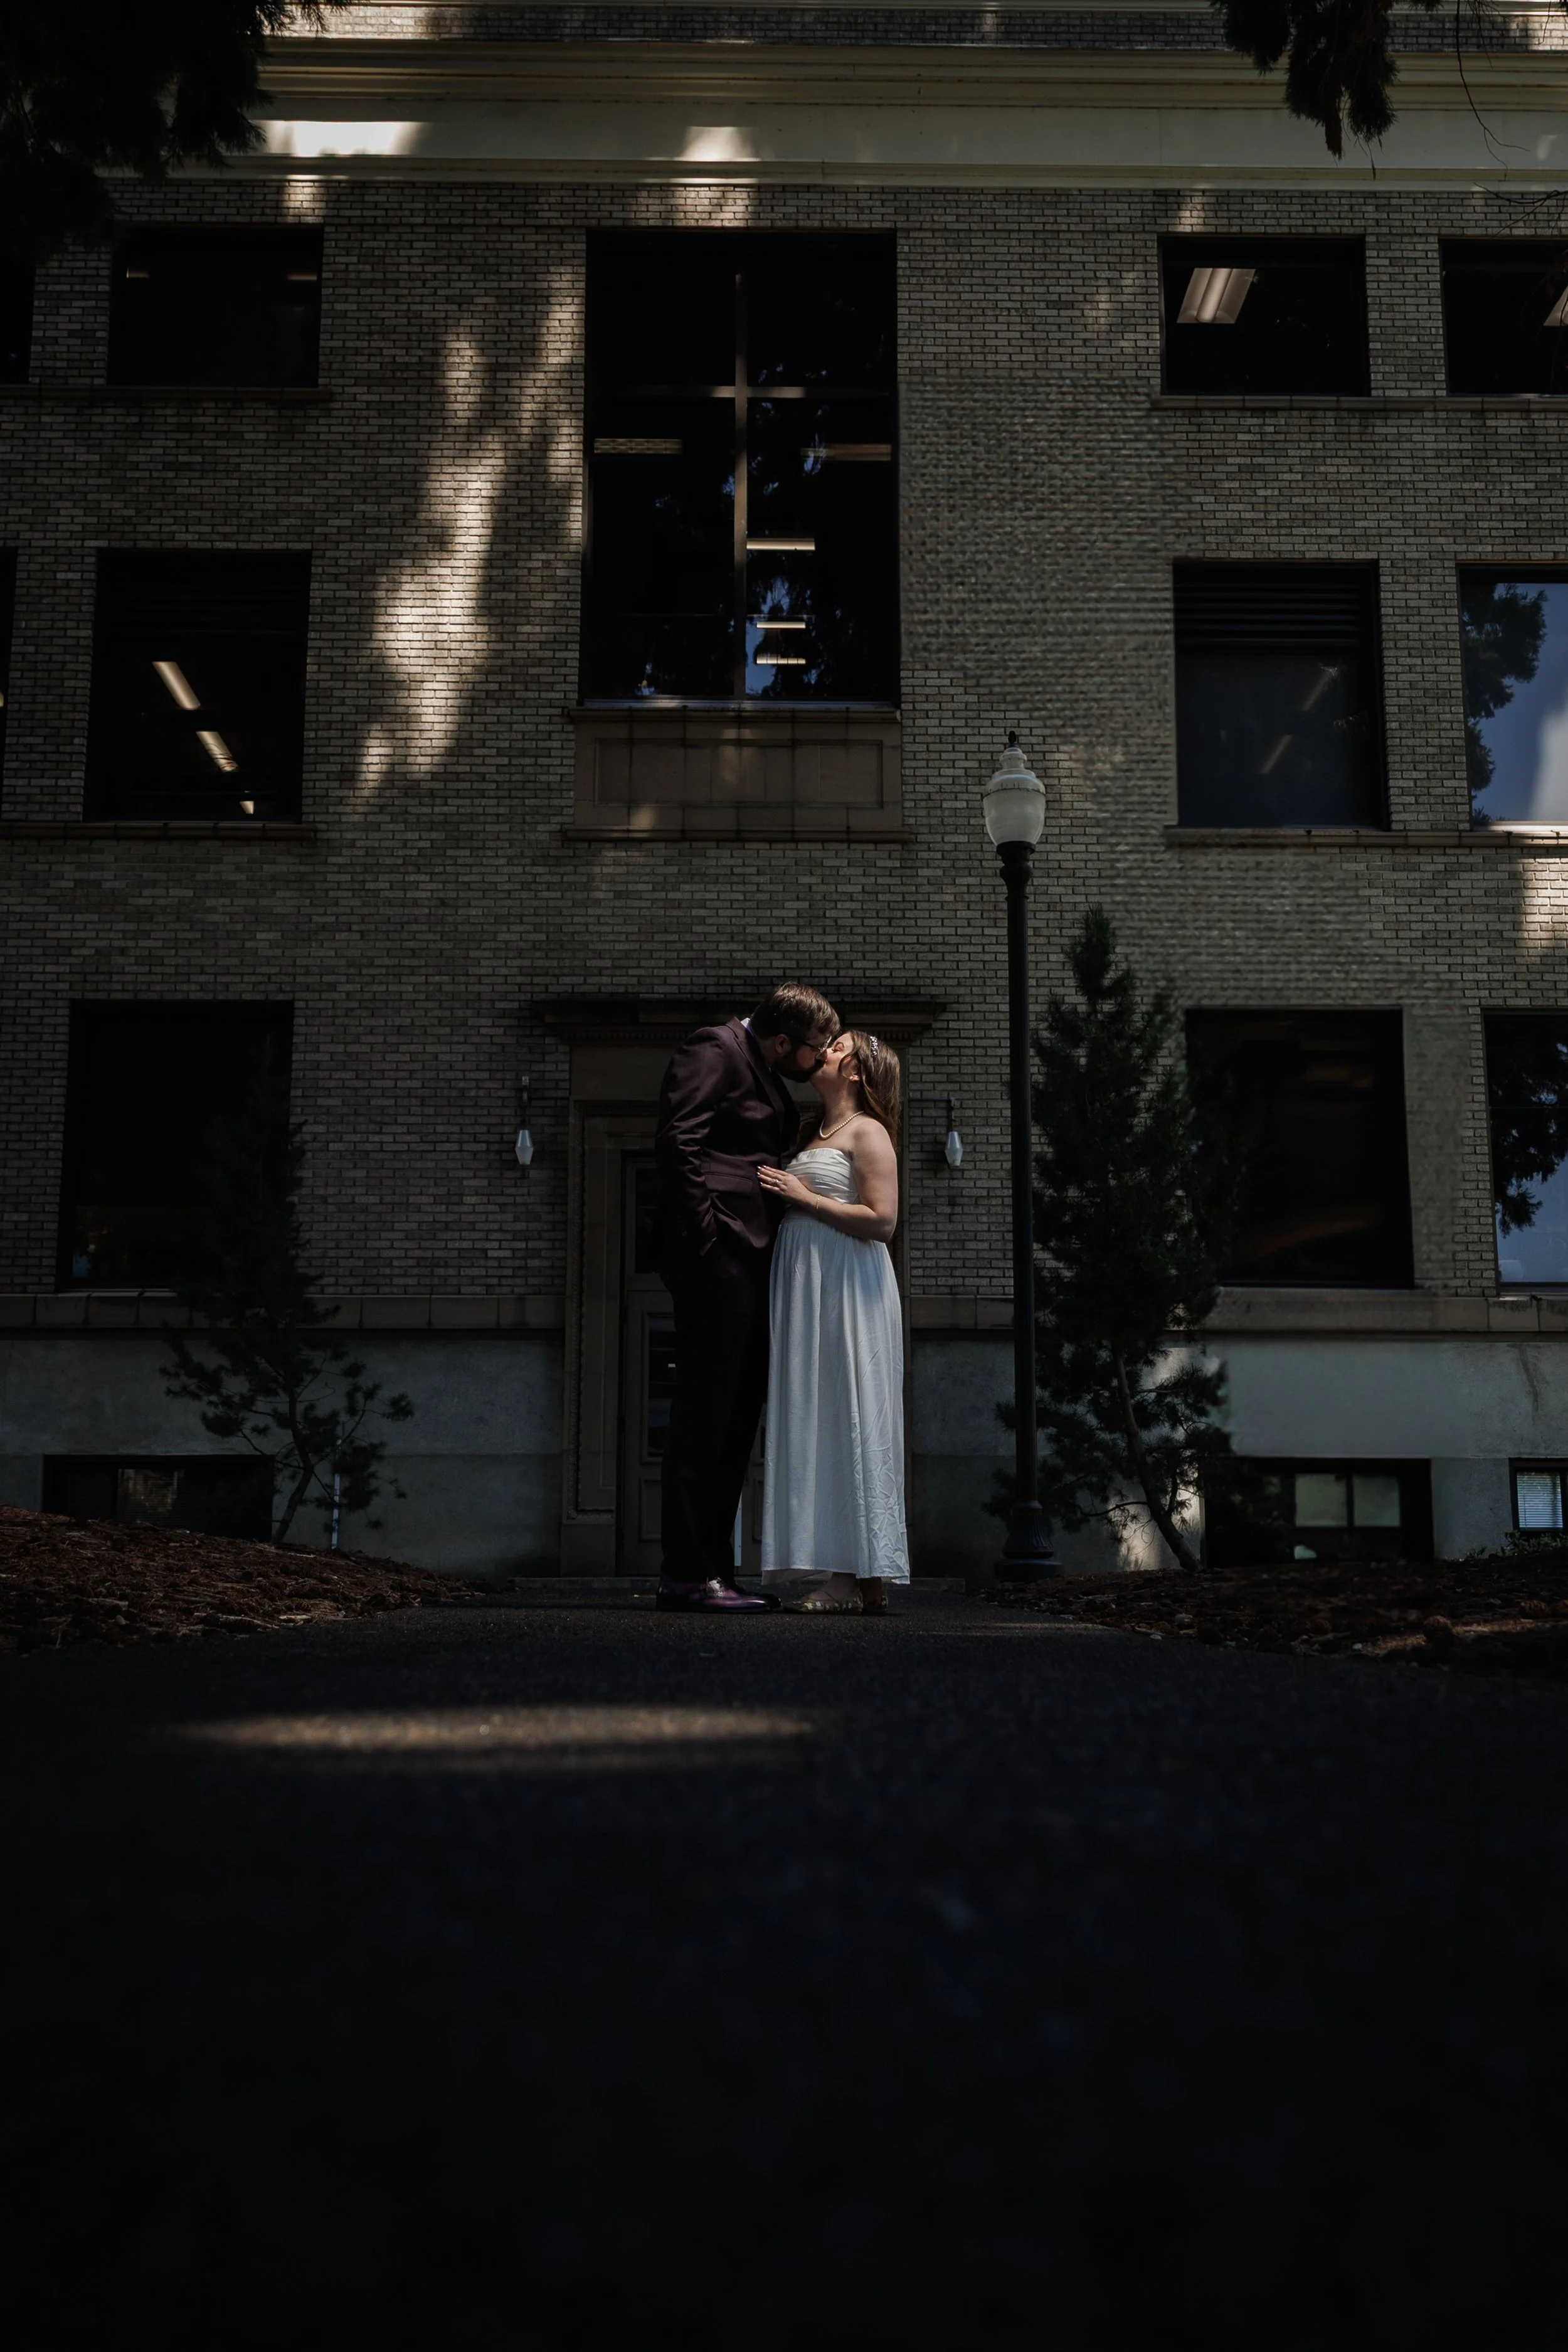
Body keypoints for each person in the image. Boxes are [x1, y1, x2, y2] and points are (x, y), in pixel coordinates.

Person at [654, 984, 840, 1614]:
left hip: (750, 1257)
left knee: (734, 1420)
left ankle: (715, 1573)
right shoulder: (715, 1048)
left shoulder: (760, 1066)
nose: (817, 1064)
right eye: (815, 1052)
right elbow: (679, 1142)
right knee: (706, 1416)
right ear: (784, 1040)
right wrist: (706, 1241)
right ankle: (686, 1575)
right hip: (721, 1256)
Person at [757, 1030, 911, 1614]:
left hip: (849, 1286)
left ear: (855, 1071)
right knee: (821, 1415)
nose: (823, 1047)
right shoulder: (810, 1131)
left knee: (852, 1411)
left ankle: (857, 1574)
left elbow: (883, 1221)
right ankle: (851, 1572)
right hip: (809, 1289)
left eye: (838, 1044)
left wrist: (803, 1195)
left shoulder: (869, 1131)